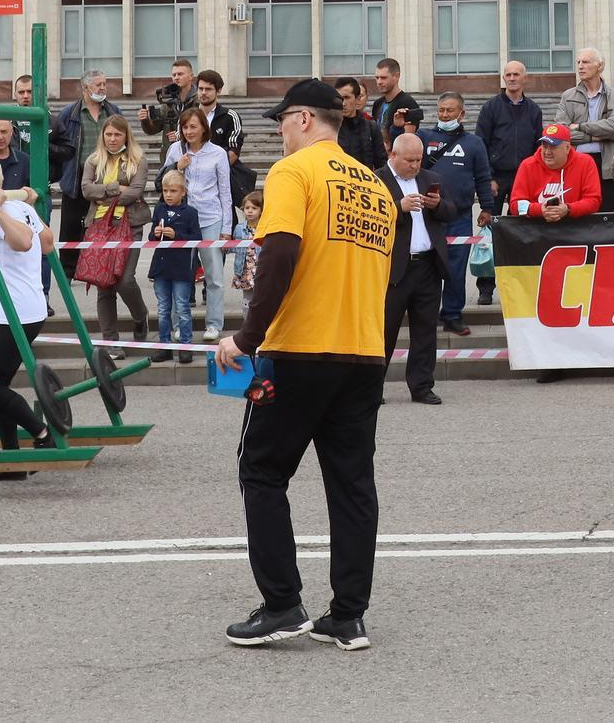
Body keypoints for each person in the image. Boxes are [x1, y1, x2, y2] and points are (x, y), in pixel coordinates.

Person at [218, 80, 398, 651]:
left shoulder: (294, 173)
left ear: (301, 119)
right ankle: (347, 615)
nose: (278, 133)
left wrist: (247, 338)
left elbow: (280, 253)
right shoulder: (375, 185)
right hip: (363, 350)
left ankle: (281, 604)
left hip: (298, 349)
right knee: (351, 485)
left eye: (280, 122)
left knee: (263, 471)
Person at [0, 178, 61, 480]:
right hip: (25, 308)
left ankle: (44, 436)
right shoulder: (19, 205)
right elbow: (47, 241)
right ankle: (11, 459)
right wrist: (27, 207)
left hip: (14, 311)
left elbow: (27, 243)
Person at [381, 131, 450, 405]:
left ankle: (422, 386)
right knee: (383, 332)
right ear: (393, 155)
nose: (415, 165)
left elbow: (452, 212)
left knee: (425, 331)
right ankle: (372, 388)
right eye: (409, 160)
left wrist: (439, 205)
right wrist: (398, 207)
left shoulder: (430, 179)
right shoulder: (377, 180)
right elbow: (369, 216)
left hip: (427, 267)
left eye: (419, 160)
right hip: (394, 269)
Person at [418, 93, 493, 336]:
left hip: (459, 216)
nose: (444, 115)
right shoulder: (424, 137)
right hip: (427, 216)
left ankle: (452, 314)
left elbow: (482, 177)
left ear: (462, 114)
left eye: (450, 111)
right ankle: (425, 315)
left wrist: (487, 207)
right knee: (426, 268)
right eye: (441, 110)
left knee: (455, 268)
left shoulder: (474, 143)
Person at [78, 113, 152, 343]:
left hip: (130, 225)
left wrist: (104, 193)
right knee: (104, 284)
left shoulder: (138, 160)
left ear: (125, 136)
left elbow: (135, 192)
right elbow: (86, 190)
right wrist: (114, 188)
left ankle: (140, 316)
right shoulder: (93, 160)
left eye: (117, 134)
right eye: (108, 134)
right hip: (99, 226)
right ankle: (111, 341)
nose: (112, 139)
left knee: (125, 280)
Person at [171, 106, 237, 341]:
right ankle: (180, 323)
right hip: (182, 219)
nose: (188, 131)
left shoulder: (218, 153)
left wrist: (226, 228)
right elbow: (163, 180)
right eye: (185, 127)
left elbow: (225, 191)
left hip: (211, 217)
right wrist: (177, 166)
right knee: (181, 274)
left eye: (193, 127)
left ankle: (214, 324)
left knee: (214, 276)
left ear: (203, 128)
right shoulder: (175, 150)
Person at [50, 73, 124, 277]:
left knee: (102, 223)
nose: (103, 88)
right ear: (85, 89)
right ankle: (66, 271)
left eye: (105, 84)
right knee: (70, 224)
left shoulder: (113, 111)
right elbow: (58, 141)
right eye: (98, 84)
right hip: (76, 175)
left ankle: (100, 268)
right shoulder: (69, 113)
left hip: (105, 176)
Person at [476, 59, 546, 218]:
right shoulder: (490, 107)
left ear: (525, 78)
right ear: (504, 78)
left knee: (521, 222)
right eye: (508, 75)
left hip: (523, 176)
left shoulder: (534, 110)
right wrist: (489, 177)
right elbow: (481, 144)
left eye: (516, 74)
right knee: (492, 222)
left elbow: (538, 147)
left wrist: (535, 177)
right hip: (497, 176)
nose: (512, 78)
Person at [148, 168, 202, 359]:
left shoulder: (190, 213)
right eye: (165, 191)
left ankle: (186, 346)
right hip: (162, 265)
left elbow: (196, 239)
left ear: (183, 192)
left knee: (182, 308)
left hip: (181, 268)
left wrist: (177, 235)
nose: (168, 195)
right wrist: (155, 233)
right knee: (163, 309)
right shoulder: (159, 209)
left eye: (173, 191)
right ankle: (165, 346)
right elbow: (151, 237)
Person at [556, 47, 614, 175]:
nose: (580, 66)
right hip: (575, 162)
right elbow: (561, 133)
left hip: (607, 165)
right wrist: (592, 137)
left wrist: (579, 126)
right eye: (578, 62)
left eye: (586, 62)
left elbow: (612, 129)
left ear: (600, 66)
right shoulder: (568, 96)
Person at [507, 125, 601, 221]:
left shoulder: (585, 163)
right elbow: (515, 205)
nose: (547, 152)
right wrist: (540, 210)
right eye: (545, 146)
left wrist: (568, 209)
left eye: (553, 147)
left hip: (575, 229)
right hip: (537, 230)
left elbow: (593, 201)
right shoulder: (528, 165)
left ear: (567, 148)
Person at [333, 77, 389, 173]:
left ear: (358, 99)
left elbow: (381, 164)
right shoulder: (329, 128)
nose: (343, 103)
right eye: (339, 98)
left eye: (346, 98)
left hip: (365, 184)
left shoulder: (371, 128)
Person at [141, 57, 199, 142]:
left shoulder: (198, 102)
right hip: (169, 153)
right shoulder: (168, 103)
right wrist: (145, 119)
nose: (176, 78)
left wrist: (181, 136)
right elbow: (152, 130)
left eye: (180, 74)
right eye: (174, 75)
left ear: (191, 76)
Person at [369, 59, 422, 144]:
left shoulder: (408, 103)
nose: (379, 82)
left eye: (383, 78)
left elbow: (407, 139)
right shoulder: (377, 104)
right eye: (377, 78)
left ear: (396, 76)